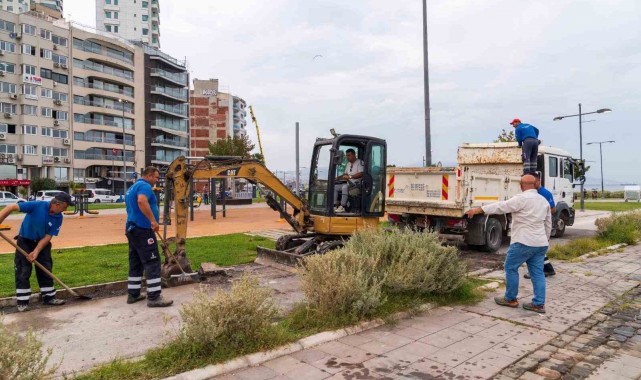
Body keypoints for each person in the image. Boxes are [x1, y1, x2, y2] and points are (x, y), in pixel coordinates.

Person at [466, 174, 551, 313]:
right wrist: (545, 240)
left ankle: (510, 299)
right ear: (535, 184)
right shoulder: (543, 201)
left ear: (521, 185)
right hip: (540, 243)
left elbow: (500, 206)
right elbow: (548, 224)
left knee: (510, 267)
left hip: (523, 241)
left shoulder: (520, 199)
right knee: (537, 273)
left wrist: (478, 209)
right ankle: (538, 304)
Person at [0, 193, 74, 312]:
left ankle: (49, 297)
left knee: (45, 268)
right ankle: (22, 302)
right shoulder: (37, 205)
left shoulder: (58, 217)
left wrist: (36, 251)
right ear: (56, 204)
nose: (66, 209)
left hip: (42, 243)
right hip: (25, 241)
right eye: (65, 206)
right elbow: (11, 207)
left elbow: (48, 236)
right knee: (23, 270)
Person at [125, 166, 173, 308]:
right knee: (152, 262)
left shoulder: (133, 187)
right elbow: (141, 201)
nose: (157, 181)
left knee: (136, 262)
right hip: (143, 230)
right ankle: (154, 297)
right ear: (150, 175)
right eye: (156, 177)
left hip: (132, 228)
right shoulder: (145, 186)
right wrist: (153, 220)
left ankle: (133, 294)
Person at [524, 173, 556, 278]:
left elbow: (553, 209)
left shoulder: (545, 193)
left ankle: (537, 271)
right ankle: (548, 269)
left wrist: (539, 213)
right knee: (539, 251)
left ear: (538, 181)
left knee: (534, 250)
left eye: (534, 181)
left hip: (541, 226)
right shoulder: (531, 193)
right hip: (533, 226)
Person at [333, 148, 364, 213]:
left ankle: (343, 206)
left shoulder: (360, 162)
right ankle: (335, 205)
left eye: (349, 155)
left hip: (356, 185)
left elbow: (361, 173)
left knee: (345, 187)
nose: (347, 157)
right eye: (346, 156)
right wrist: (339, 177)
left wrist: (350, 177)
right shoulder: (348, 164)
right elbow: (345, 173)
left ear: (354, 155)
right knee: (335, 187)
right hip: (349, 184)